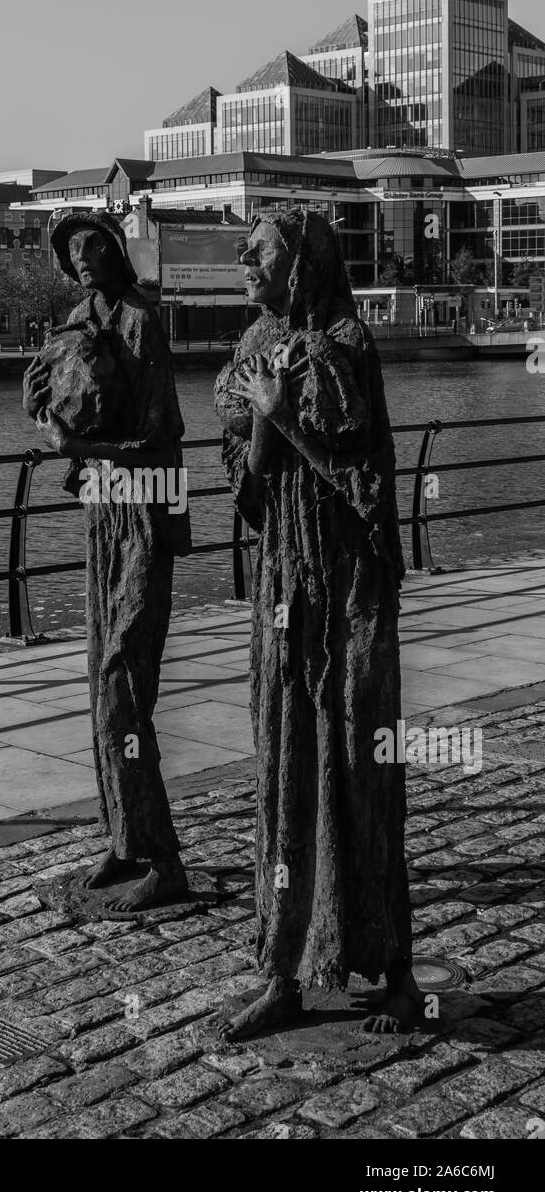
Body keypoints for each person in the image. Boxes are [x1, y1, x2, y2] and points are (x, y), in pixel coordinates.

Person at [214, 208, 420, 1037]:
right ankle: (282, 969)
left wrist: (285, 414)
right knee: (284, 769)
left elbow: (365, 483)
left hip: (347, 587)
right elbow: (250, 484)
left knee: (362, 769)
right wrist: (266, 417)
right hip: (283, 586)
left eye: (258, 252)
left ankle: (395, 970)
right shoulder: (255, 342)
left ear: (301, 261)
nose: (244, 263)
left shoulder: (345, 344)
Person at [22, 212, 192, 912]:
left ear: (117, 250)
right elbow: (56, 399)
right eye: (70, 249)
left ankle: (165, 860)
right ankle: (123, 841)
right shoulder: (75, 316)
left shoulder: (143, 321)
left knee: (124, 686)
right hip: (102, 509)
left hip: (146, 507)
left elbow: (161, 437)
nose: (81, 255)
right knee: (101, 681)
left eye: (91, 244)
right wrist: (50, 422)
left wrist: (80, 451)